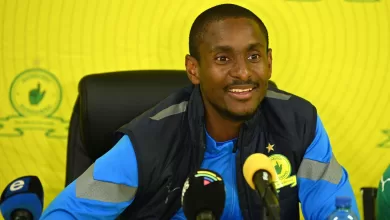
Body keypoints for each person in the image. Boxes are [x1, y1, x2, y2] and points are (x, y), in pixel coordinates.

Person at [41, 3, 359, 220]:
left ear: (270, 62)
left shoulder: (299, 124)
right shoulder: (150, 140)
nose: (243, 73)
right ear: (194, 69)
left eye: (253, 56)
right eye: (223, 59)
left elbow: (336, 209)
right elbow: (65, 214)